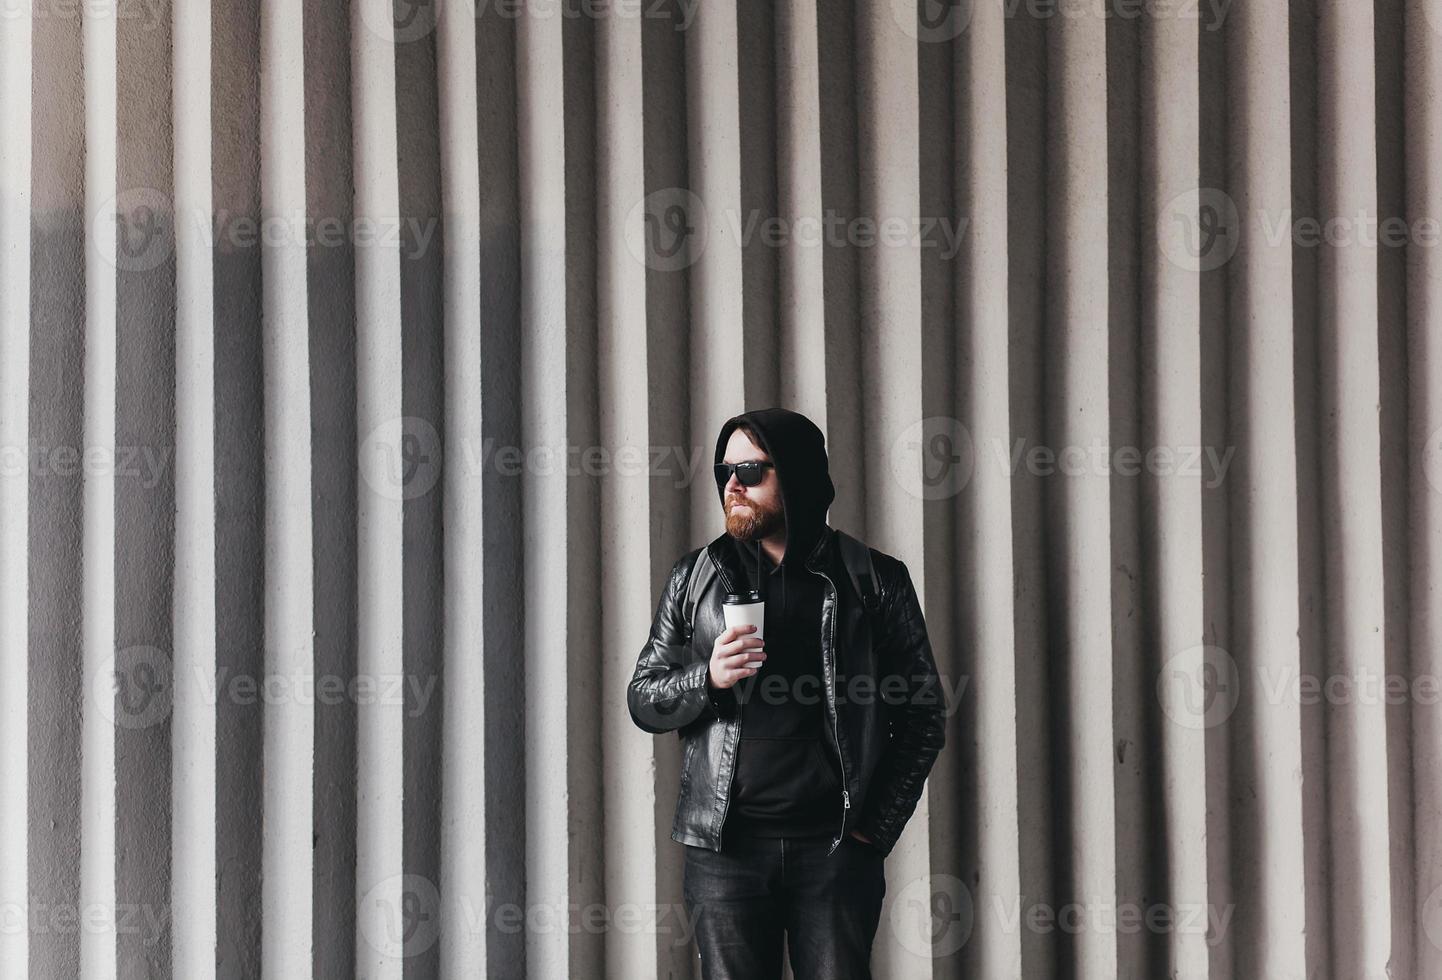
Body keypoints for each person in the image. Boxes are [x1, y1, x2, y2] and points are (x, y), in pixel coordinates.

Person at [627, 407, 948, 979]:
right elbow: (644, 697)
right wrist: (709, 678)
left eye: (750, 472)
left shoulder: (872, 579)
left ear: (795, 475)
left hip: (834, 851)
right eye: (724, 471)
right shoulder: (696, 576)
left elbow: (923, 715)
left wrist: (874, 829)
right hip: (724, 851)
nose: (731, 485)